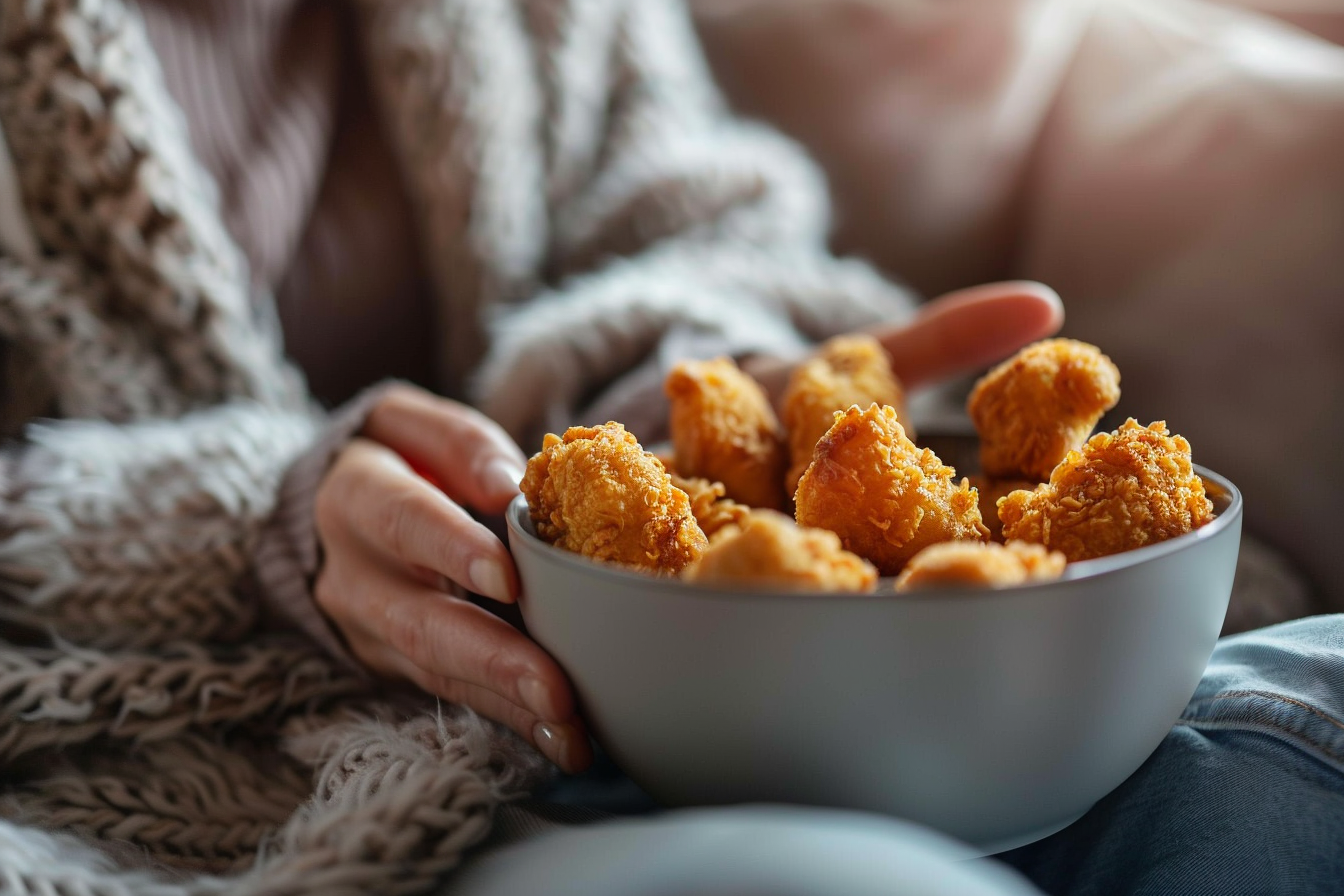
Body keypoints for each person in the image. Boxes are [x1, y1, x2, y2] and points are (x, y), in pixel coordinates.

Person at [0, 1, 1339, 894]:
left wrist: (716, 380)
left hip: (721, 686)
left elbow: (682, 220)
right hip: (246, 778)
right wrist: (259, 530)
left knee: (1300, 731)